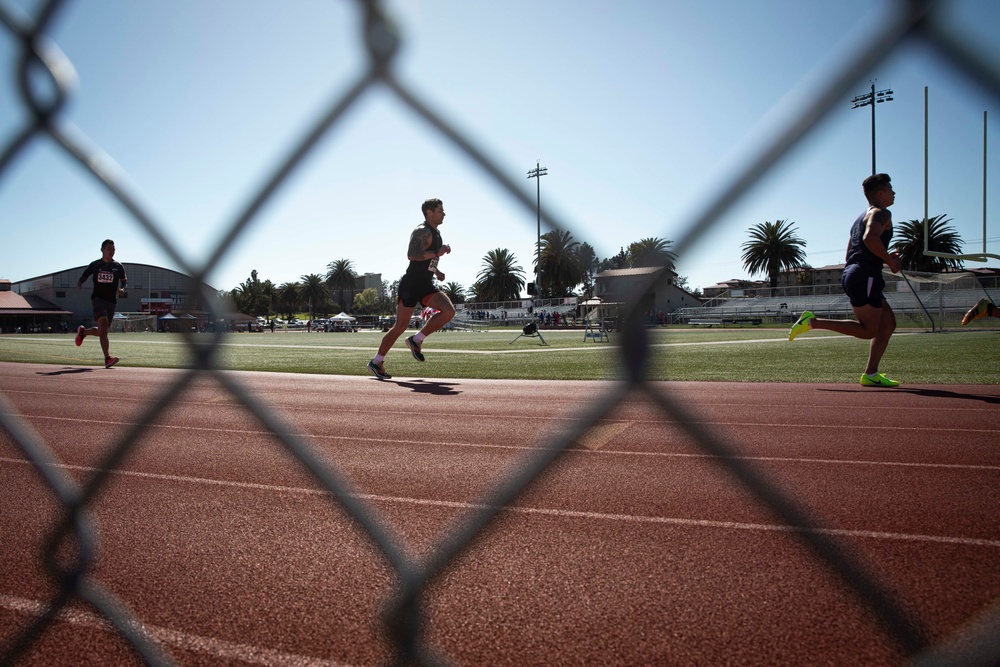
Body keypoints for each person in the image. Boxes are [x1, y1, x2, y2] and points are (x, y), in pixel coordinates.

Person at [788, 173, 902, 387]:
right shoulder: (882, 213)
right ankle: (812, 322)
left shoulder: (859, 219)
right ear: (880, 193)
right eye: (890, 189)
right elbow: (870, 239)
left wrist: (881, 258)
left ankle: (871, 374)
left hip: (859, 273)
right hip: (864, 275)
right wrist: (890, 261)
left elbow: (852, 252)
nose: (894, 193)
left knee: (887, 324)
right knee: (869, 331)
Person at [368, 198, 455, 379]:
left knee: (448, 311)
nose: (444, 213)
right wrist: (438, 253)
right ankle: (376, 361)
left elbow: (427, 260)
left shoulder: (436, 233)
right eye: (440, 210)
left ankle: (416, 340)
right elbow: (412, 255)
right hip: (411, 284)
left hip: (426, 284)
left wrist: (437, 271)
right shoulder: (422, 231)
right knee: (399, 326)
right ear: (429, 213)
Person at [76, 239, 128, 368]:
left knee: (102, 331)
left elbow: (124, 280)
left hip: (112, 301)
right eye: (109, 249)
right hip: (98, 299)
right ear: (102, 250)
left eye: (114, 249)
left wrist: (122, 289)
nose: (112, 251)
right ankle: (107, 358)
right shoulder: (95, 265)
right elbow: (85, 274)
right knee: (103, 324)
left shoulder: (118, 266)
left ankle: (83, 332)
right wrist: (80, 282)